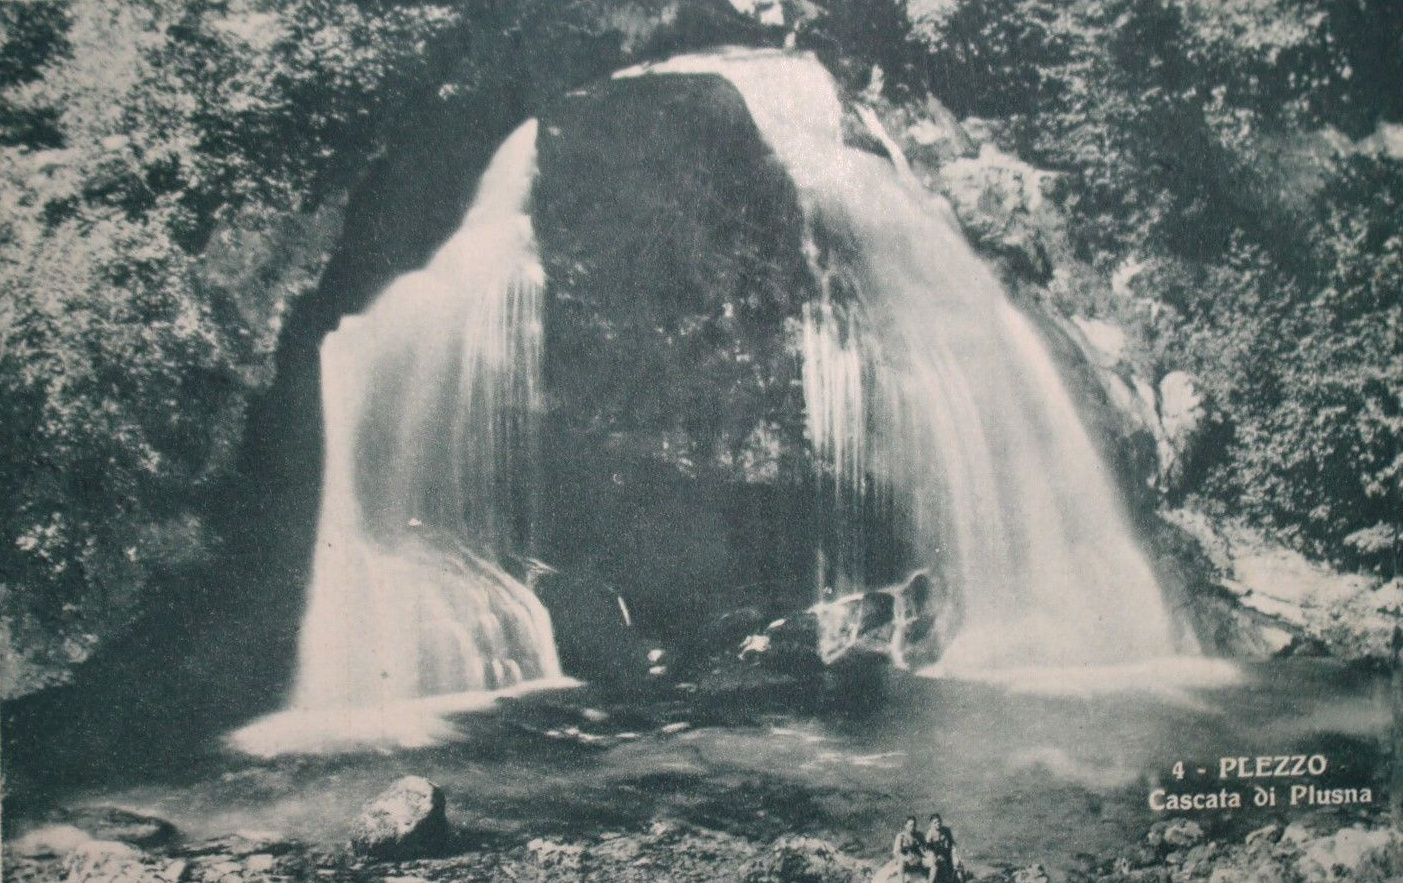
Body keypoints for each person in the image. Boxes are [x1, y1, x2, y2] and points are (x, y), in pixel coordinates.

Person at [922, 814, 960, 883]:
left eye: (939, 821)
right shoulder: (930, 833)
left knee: (958, 866)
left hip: (946, 855)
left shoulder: (946, 830)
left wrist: (955, 856)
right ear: (931, 824)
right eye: (935, 822)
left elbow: (952, 844)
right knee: (935, 867)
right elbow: (928, 848)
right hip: (934, 856)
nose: (938, 823)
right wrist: (935, 856)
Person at [891, 816, 925, 882]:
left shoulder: (919, 835)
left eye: (914, 825)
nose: (913, 827)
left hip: (916, 858)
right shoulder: (901, 836)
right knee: (901, 863)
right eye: (910, 825)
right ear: (905, 826)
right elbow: (896, 852)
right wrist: (906, 858)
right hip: (904, 859)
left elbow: (924, 848)